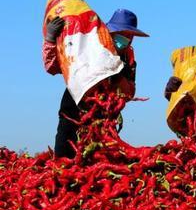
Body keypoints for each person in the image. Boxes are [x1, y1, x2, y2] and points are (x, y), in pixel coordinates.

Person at [43, 9, 148, 158]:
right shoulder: (88, 46)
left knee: (96, 162)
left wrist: (118, 77)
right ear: (109, 31)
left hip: (104, 120)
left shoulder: (128, 59)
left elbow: (130, 92)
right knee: (64, 159)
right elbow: (53, 67)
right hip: (73, 110)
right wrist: (50, 39)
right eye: (120, 33)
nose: (125, 38)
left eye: (129, 35)